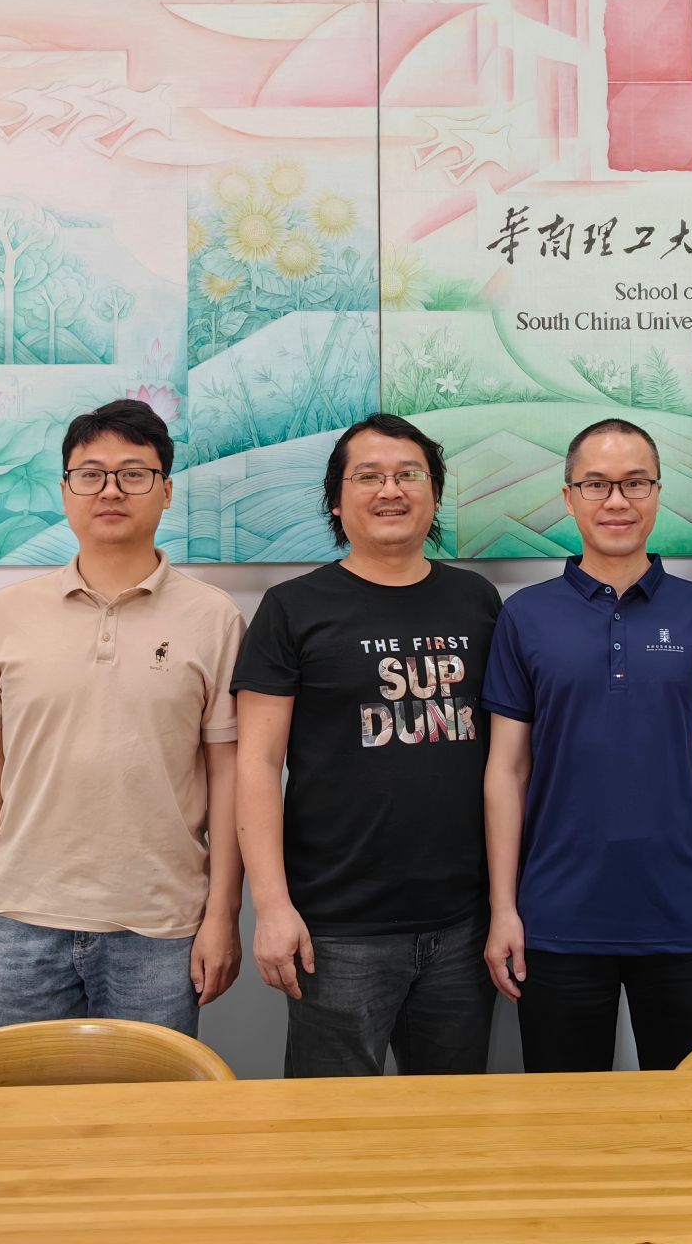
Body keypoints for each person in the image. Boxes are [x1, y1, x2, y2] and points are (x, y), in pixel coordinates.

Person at [0, 398, 245, 1034]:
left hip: (161, 927)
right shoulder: (6, 613)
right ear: (65, 491)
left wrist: (222, 916)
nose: (111, 490)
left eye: (134, 473)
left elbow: (230, 779)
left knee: (151, 1099)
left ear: (166, 491)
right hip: (23, 922)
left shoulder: (214, 617)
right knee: (25, 1098)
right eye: (91, 474)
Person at [482, 418, 692, 1071]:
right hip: (556, 916)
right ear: (569, 496)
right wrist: (503, 909)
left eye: (635, 483)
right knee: (565, 1116)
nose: (617, 501)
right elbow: (506, 771)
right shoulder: (525, 615)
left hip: (684, 914)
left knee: (689, 1112)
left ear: (657, 493)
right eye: (596, 484)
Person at [233, 413, 501, 1077]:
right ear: (336, 498)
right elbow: (257, 765)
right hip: (337, 929)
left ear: (434, 494)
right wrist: (272, 907)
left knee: (450, 1119)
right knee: (331, 1123)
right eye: (369, 476)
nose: (391, 490)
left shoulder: (477, 601)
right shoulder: (292, 608)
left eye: (409, 475)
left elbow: (508, 760)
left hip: (463, 924)